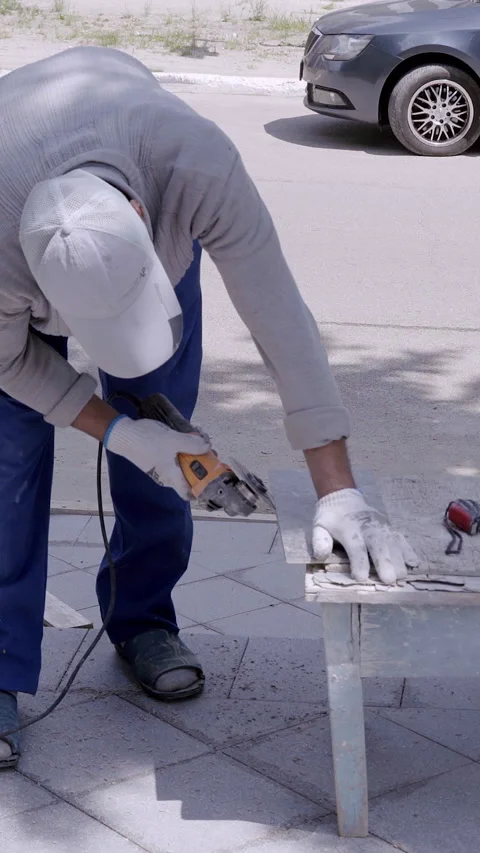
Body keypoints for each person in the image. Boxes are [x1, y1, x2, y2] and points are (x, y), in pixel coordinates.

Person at [0, 46, 418, 769]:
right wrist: (119, 433)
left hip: (137, 206)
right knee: (7, 466)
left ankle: (142, 621)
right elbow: (10, 360)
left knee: (171, 444)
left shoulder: (192, 165)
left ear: (141, 213)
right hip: (16, 267)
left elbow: (279, 316)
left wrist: (338, 488)